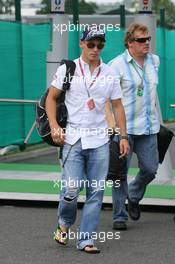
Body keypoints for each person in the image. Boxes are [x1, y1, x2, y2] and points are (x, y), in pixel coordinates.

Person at [45, 25, 129, 253]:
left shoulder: (109, 73)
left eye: (100, 45)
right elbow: (51, 99)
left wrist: (122, 136)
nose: (95, 49)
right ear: (82, 43)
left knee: (96, 192)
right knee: (71, 190)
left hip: (100, 140)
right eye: (91, 44)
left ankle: (86, 240)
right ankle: (64, 223)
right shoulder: (68, 69)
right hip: (72, 137)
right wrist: (54, 126)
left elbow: (118, 107)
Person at [109, 23, 160, 230]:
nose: (146, 43)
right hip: (125, 130)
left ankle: (134, 195)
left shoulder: (154, 61)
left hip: (149, 128)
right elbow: (106, 99)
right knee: (119, 174)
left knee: (150, 169)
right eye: (141, 40)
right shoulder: (115, 65)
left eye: (148, 39)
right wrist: (112, 124)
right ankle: (119, 216)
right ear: (130, 43)